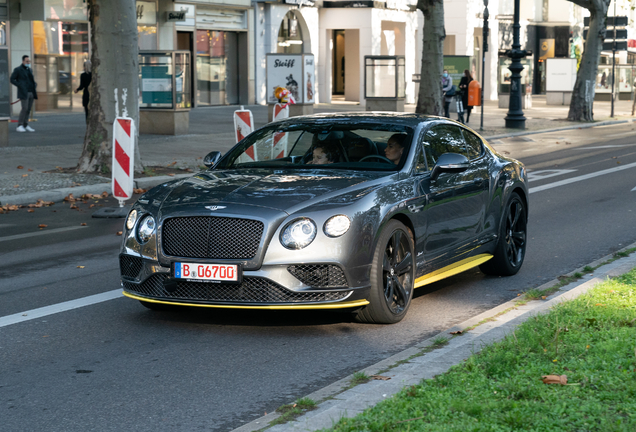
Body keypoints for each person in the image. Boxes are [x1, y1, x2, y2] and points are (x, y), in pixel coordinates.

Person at [10, 55, 38, 133]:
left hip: (31, 92)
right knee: (24, 108)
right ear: (23, 61)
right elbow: (12, 79)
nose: (28, 62)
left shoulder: (30, 70)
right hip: (23, 92)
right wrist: (20, 85)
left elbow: (31, 79)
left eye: (29, 61)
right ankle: (19, 125)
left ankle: (26, 124)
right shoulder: (18, 69)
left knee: (28, 109)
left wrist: (34, 85)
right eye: (26, 61)